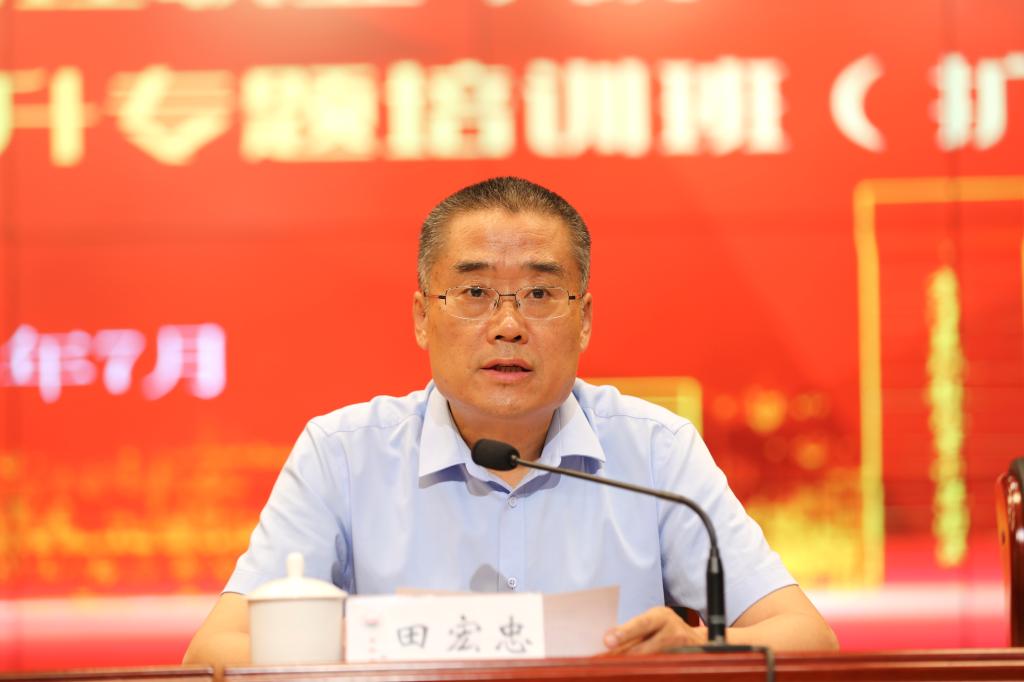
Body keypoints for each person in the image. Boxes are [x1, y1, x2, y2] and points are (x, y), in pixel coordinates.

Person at [183, 177, 837, 668]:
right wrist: (363, 647)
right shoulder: (344, 455)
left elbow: (807, 637)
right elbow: (214, 650)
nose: (507, 325)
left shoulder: (654, 450)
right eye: (474, 293)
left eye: (541, 294)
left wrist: (696, 651)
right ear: (422, 317)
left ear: (584, 320)